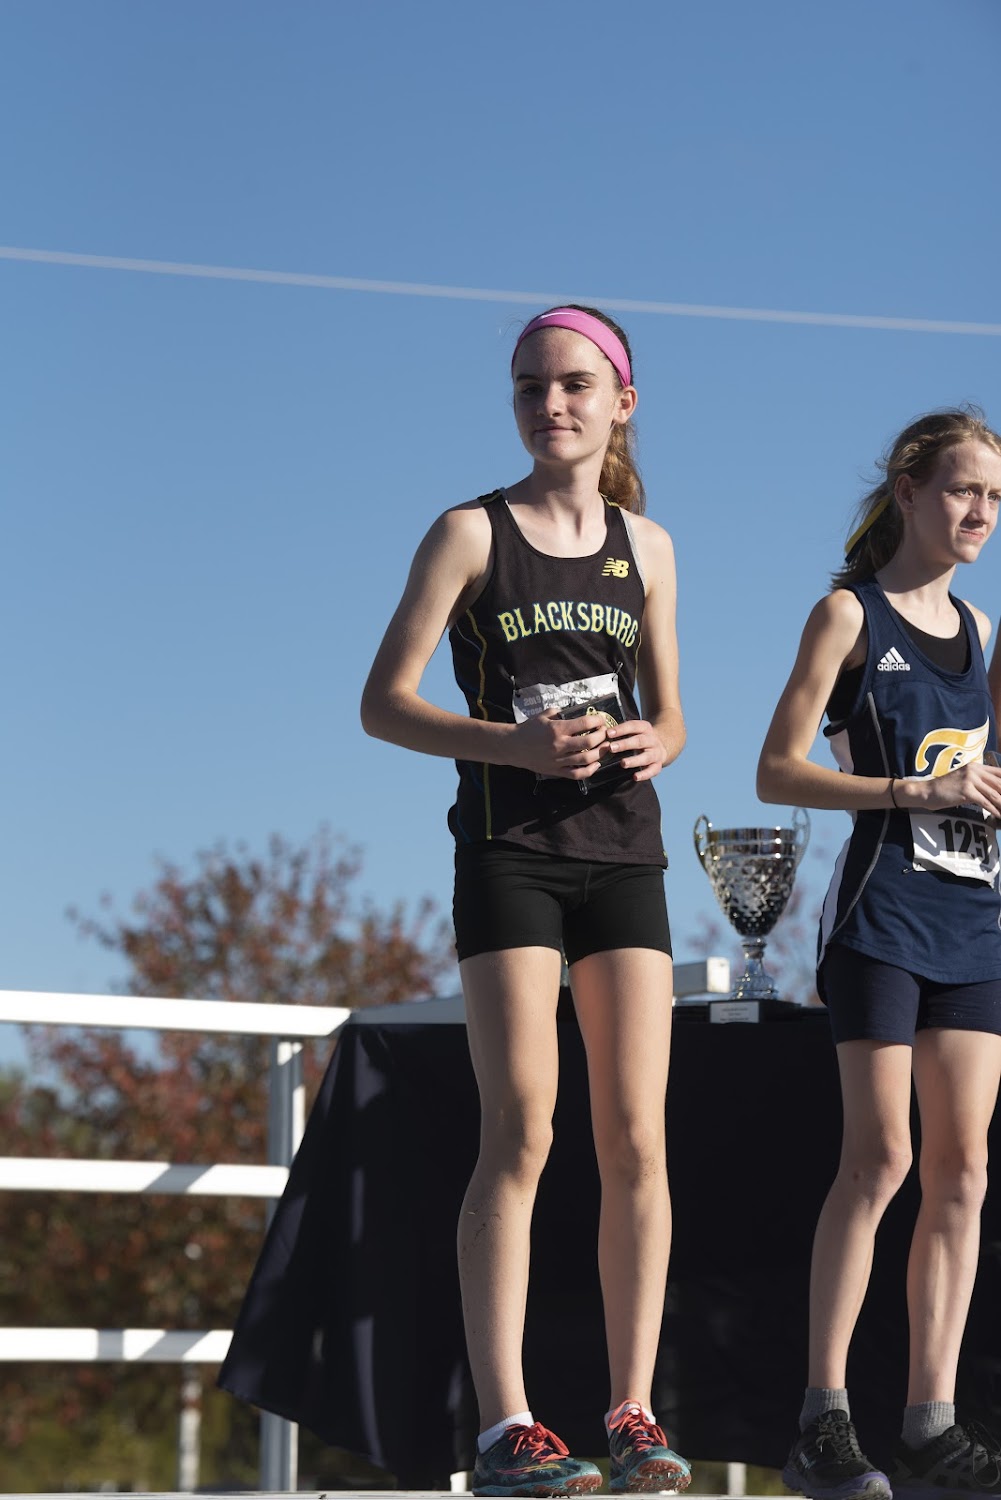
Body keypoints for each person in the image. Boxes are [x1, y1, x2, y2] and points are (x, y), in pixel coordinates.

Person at [361, 306, 689, 1497]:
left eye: (571, 385)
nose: (548, 404)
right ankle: (507, 1426)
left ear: (619, 404)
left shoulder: (647, 547)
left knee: (636, 1137)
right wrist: (513, 743)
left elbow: (672, 714)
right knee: (524, 1130)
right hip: (509, 854)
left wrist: (656, 740)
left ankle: (633, 1413)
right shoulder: (468, 532)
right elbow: (383, 704)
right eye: (527, 387)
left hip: (625, 856)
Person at [757, 408, 1001, 1500]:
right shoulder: (846, 615)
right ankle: (822, 1420)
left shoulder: (982, 630)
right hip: (879, 917)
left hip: (972, 922)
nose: (979, 513)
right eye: (960, 490)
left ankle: (929, 1424)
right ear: (907, 491)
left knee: (963, 1169)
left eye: (992, 498)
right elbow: (775, 770)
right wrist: (913, 788)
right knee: (881, 1160)